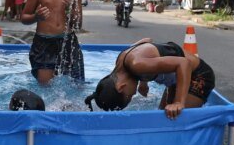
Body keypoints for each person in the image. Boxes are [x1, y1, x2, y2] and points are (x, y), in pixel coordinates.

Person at [84, 38, 215, 119]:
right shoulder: (122, 59)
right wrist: (143, 82)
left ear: (121, 86)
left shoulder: (136, 64)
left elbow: (184, 64)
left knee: (175, 121)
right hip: (177, 79)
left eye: (129, 95)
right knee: (163, 119)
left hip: (198, 75)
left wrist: (178, 102)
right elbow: (146, 41)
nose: (134, 93)